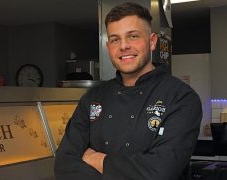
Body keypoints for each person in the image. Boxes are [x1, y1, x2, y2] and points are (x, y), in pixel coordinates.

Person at [54, 2, 202, 180]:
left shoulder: (181, 98)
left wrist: (95, 159)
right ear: (109, 47)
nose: (123, 46)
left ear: (152, 41)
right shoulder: (92, 98)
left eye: (133, 36)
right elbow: (64, 165)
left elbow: (159, 172)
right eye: (115, 39)